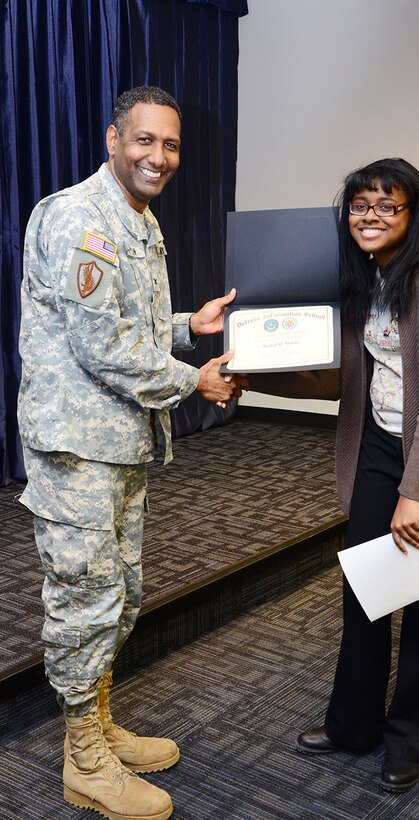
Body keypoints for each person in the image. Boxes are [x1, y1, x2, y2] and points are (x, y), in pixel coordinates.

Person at [17, 85, 242, 820]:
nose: (159, 156)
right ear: (113, 139)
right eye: (145, 140)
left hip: (119, 443)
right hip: (77, 448)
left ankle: (102, 725)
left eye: (171, 144)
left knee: (119, 596)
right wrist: (193, 378)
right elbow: (100, 343)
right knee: (85, 601)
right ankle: (84, 760)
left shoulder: (135, 219)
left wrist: (186, 325)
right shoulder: (82, 217)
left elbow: (129, 323)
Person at [242, 158, 419, 793]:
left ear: (414, 214)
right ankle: (352, 724)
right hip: (382, 444)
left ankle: (409, 737)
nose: (371, 217)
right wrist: (254, 377)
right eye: (360, 205)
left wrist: (413, 495)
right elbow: (341, 377)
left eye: (387, 206)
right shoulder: (362, 276)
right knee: (367, 586)